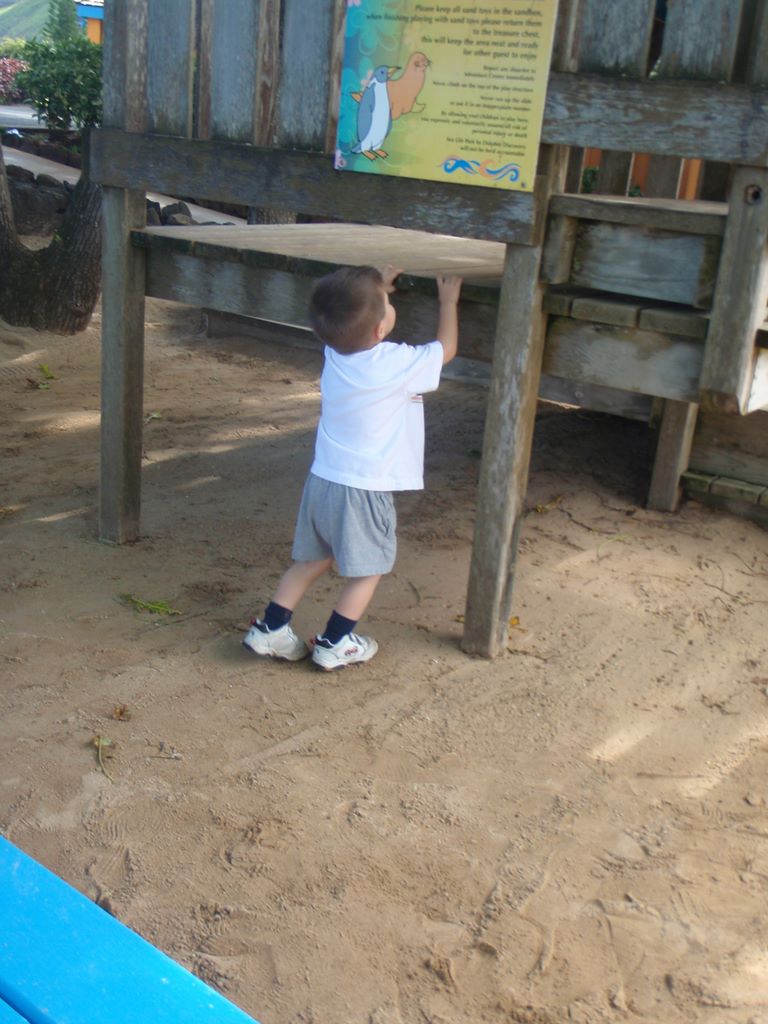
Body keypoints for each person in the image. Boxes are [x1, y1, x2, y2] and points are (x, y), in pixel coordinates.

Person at [243, 263, 462, 670]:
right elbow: (445, 350)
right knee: (368, 570)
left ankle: (270, 628)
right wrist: (448, 302)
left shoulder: (334, 351)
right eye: (385, 304)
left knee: (312, 560)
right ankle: (335, 642)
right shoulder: (395, 362)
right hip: (364, 489)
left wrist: (377, 289)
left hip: (323, 480)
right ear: (380, 329)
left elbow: (354, 321)